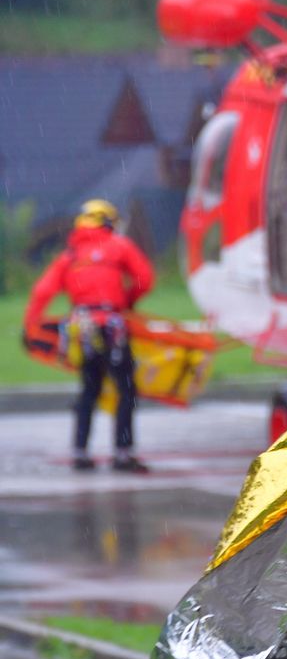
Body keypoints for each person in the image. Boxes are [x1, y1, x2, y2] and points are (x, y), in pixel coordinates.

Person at [24, 199, 153, 472]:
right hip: (114, 326)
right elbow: (144, 278)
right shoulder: (120, 247)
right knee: (125, 389)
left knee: (89, 389)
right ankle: (122, 453)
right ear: (107, 222)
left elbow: (42, 292)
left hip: (84, 329)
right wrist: (127, 300)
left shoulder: (70, 255)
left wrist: (30, 325)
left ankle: (80, 452)